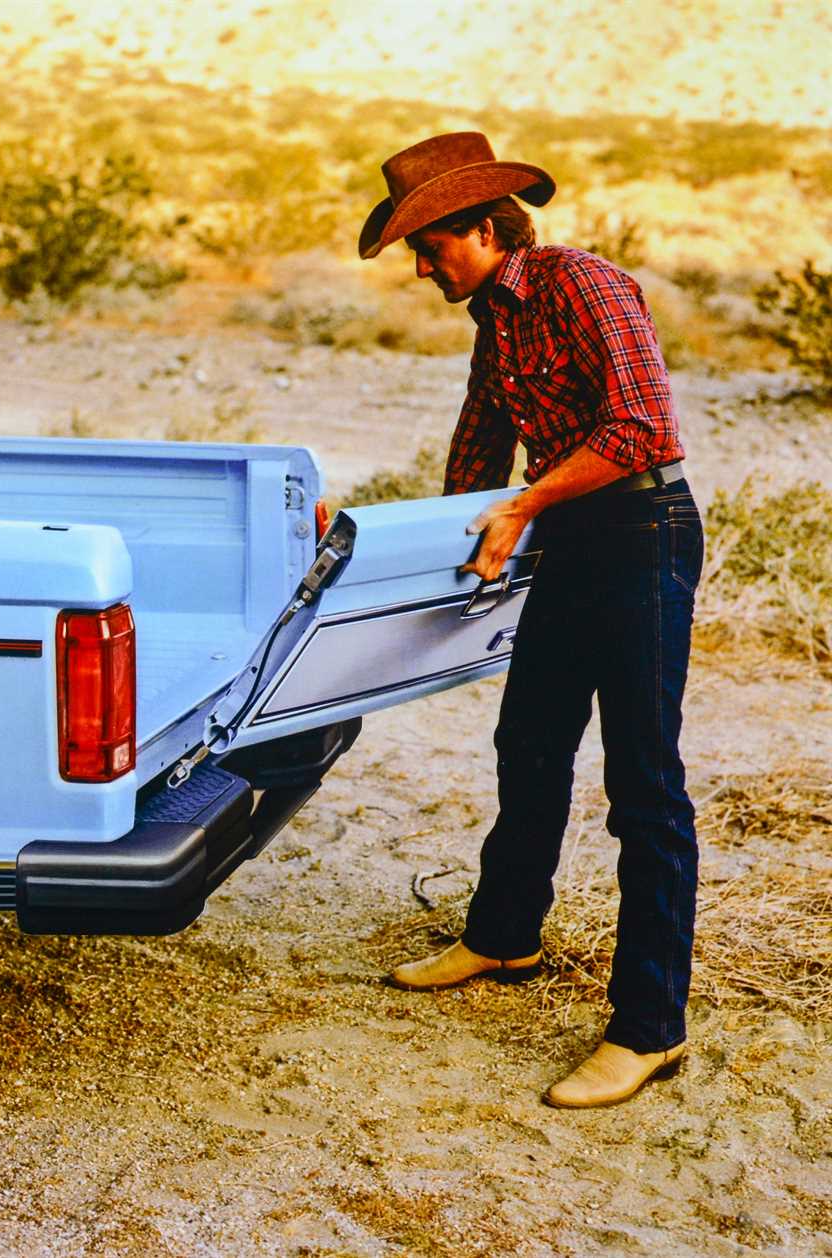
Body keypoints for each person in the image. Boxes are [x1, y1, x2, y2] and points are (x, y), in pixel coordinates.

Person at [359, 132, 703, 1108]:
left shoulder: (579, 283)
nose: (422, 268)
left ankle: (647, 1030)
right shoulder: (494, 317)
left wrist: (516, 508)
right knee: (528, 742)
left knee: (642, 783)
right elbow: (479, 439)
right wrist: (420, 541)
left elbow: (641, 427)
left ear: (479, 224)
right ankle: (502, 936)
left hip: (640, 528)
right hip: (565, 532)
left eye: (429, 246)